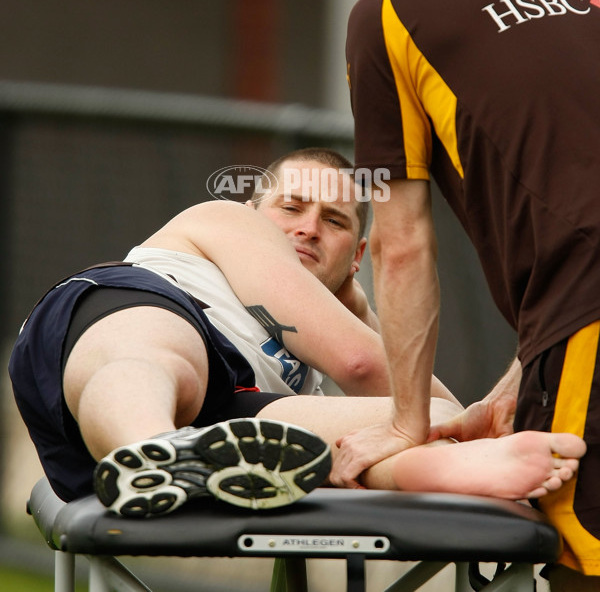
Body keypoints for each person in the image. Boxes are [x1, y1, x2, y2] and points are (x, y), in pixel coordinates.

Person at [9, 148, 584, 521]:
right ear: (252, 209)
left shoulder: (304, 359)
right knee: (162, 357)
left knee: (348, 439)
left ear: (357, 256)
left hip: (227, 418)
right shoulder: (222, 221)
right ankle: (148, 449)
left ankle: (458, 471)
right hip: (130, 324)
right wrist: (463, 421)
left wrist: (451, 436)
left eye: (334, 222)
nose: (308, 228)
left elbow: (402, 411)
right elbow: (366, 367)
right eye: (292, 207)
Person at [340, 0, 600, 589]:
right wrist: (527, 373)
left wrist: (405, 424)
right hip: (576, 318)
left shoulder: (388, 16)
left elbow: (401, 240)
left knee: (579, 555)